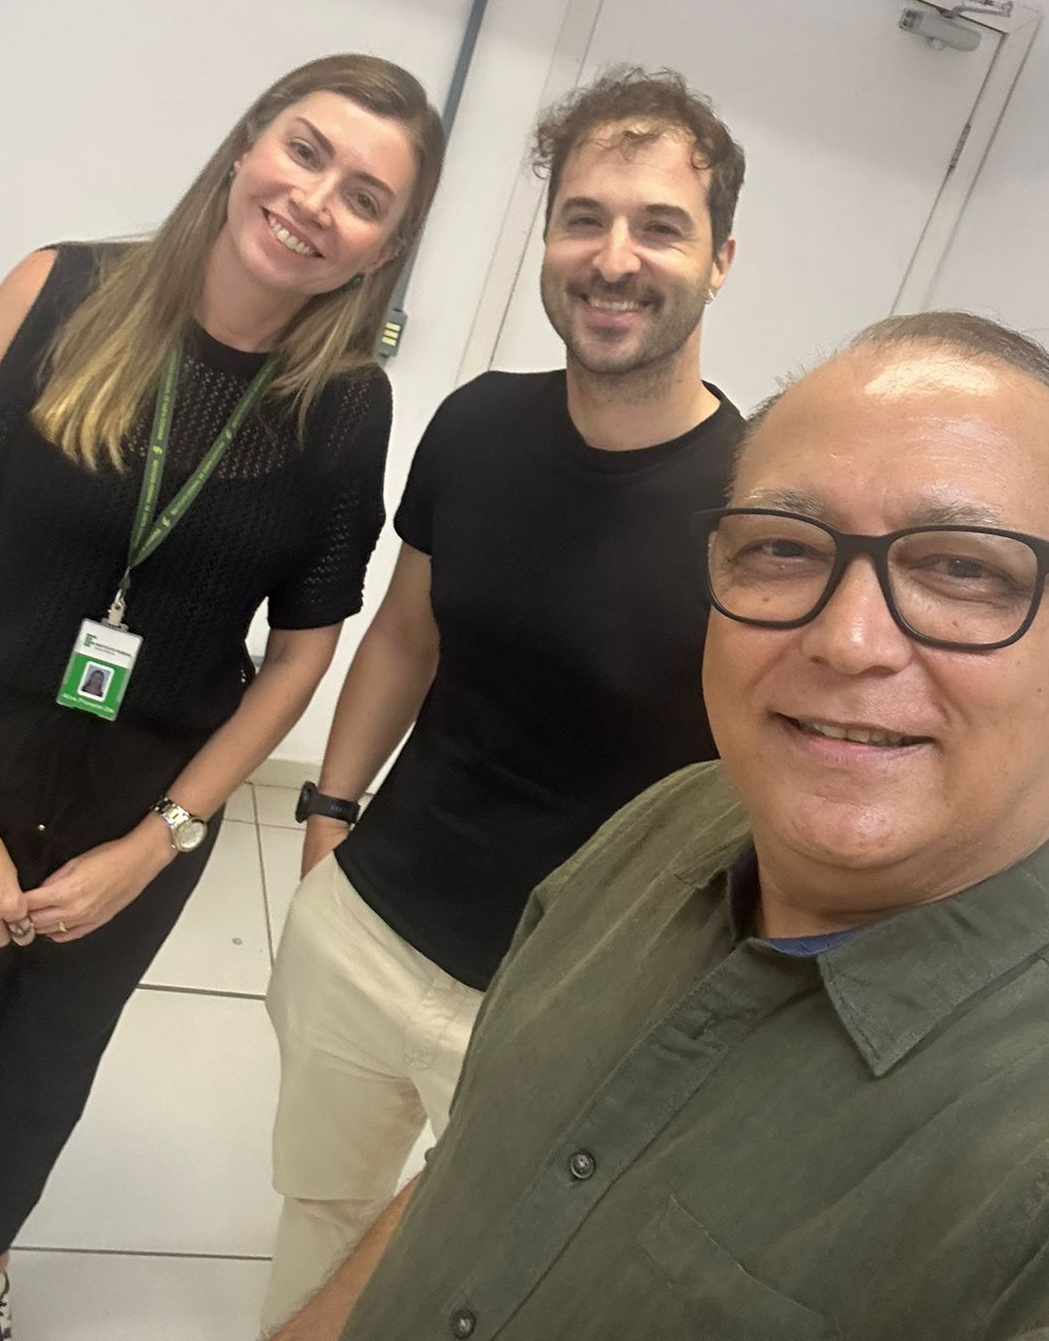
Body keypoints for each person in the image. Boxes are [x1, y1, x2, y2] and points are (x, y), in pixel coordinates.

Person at [269, 311, 1049, 1340]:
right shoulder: (674, 818)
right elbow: (482, 1165)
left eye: (964, 568)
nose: (848, 639)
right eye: (782, 547)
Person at [0, 53, 444, 1340]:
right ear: (247, 145)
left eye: (367, 196)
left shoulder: (345, 406)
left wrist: (159, 839)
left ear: (385, 247)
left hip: (148, 796)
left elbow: (303, 654)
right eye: (306, 151)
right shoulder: (58, 292)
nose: (317, 201)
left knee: (55, 1051)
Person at [261, 68, 746, 1328]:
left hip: (571, 998)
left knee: (485, 1292)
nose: (614, 257)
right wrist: (327, 820)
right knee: (318, 1221)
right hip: (372, 928)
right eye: (584, 218)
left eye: (660, 226)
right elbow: (403, 635)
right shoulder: (475, 423)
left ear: (721, 259)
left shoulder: (759, 512)